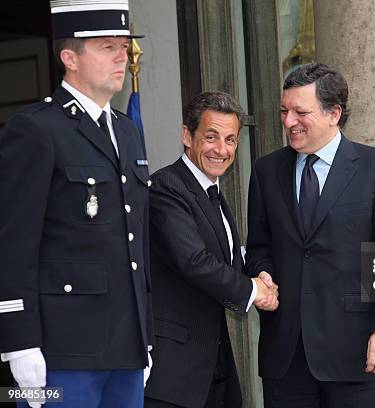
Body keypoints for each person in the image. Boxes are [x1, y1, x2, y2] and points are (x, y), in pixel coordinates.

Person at [0, 1, 153, 407]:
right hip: (60, 351)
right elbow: (12, 244)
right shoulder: (34, 129)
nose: (123, 56)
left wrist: (146, 336)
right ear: (69, 57)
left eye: (123, 45)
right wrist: (19, 341)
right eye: (106, 46)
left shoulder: (126, 131)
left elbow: (136, 243)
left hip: (126, 350)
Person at [246, 62, 375, 408]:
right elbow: (260, 246)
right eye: (284, 110)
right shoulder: (266, 171)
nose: (289, 121)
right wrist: (262, 272)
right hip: (286, 357)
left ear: (334, 113)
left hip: (358, 353)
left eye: (300, 112)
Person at [144, 92, 279, 408]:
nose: (222, 149)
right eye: (211, 137)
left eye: (231, 140)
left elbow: (225, 261)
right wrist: (252, 289)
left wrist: (259, 274)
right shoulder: (165, 187)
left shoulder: (212, 193)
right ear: (186, 136)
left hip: (213, 365)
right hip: (173, 375)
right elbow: (193, 260)